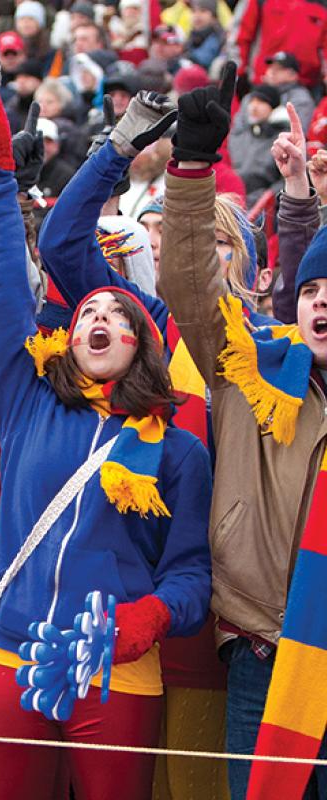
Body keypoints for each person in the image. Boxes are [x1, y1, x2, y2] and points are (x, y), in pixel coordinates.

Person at [0, 73, 212, 800]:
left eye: (119, 316)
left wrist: (151, 616)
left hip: (117, 672)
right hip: (9, 658)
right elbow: (7, 282)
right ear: (68, 338)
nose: (100, 319)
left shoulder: (180, 450)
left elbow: (192, 574)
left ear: (143, 344)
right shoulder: (27, 402)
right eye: (87, 314)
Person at [156, 62, 327, 800]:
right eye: (311, 290)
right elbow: (191, 284)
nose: (320, 303)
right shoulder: (248, 365)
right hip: (262, 649)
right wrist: (193, 167)